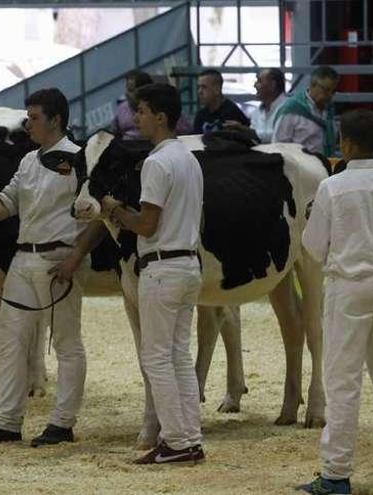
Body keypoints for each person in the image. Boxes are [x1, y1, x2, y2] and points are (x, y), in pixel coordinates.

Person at [0, 88, 88, 447]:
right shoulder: (27, 161)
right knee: (7, 339)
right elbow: (2, 207)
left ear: (56, 120)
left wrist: (75, 258)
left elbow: (94, 216)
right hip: (23, 258)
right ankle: (8, 421)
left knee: (66, 342)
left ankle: (62, 422)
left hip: (60, 259)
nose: (28, 124)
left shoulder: (80, 159)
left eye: (35, 117)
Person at [298, 109, 373, 495]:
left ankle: (336, 474)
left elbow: (312, 249)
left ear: (346, 142)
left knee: (343, 383)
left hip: (349, 287)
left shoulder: (333, 187)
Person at [113, 83, 205, 464]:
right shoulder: (189, 159)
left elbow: (147, 224)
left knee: (156, 357)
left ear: (161, 117)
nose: (136, 118)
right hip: (188, 264)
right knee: (179, 355)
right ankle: (189, 437)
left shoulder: (156, 162)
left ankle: (176, 441)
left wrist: (114, 211)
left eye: (143, 111)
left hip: (162, 267)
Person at [273, 66, 339, 156]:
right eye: (326, 90)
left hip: (326, 165)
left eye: (333, 91)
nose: (330, 95)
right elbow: (278, 146)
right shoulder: (291, 110)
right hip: (299, 166)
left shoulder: (329, 110)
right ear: (312, 85)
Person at [112, 70, 191, 140]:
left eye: (132, 90)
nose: (128, 95)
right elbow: (115, 133)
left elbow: (185, 130)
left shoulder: (164, 107)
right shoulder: (122, 109)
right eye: (128, 90)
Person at [226, 68, 287, 143]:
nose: (255, 85)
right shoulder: (257, 112)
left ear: (272, 85)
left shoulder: (288, 108)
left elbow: (278, 136)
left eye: (259, 81)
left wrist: (246, 131)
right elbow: (253, 140)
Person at [192, 68, 249, 135]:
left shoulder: (231, 113)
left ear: (217, 89)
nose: (199, 91)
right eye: (198, 87)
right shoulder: (201, 115)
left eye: (204, 87)